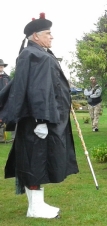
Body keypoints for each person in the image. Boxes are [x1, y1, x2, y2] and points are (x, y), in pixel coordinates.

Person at [0, 13, 79, 219]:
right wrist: (40, 120)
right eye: (48, 33)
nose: (52, 37)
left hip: (41, 119)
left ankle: (37, 205)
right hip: (39, 121)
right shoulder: (35, 55)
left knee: (35, 162)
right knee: (36, 162)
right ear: (35, 36)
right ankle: (35, 209)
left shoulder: (39, 54)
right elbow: (36, 90)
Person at [0, 59, 11, 142]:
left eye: (2, 66)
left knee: (4, 118)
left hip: (5, 101)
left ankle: (2, 138)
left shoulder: (7, 78)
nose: (1, 67)